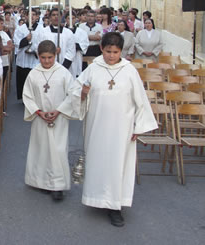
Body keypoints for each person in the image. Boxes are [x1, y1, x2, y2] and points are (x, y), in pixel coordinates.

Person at [57, 32, 157, 227]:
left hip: (122, 129)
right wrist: (83, 94)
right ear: (101, 49)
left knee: (117, 165)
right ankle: (96, 198)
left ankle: (115, 206)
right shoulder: (93, 68)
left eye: (115, 52)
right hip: (97, 126)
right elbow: (75, 90)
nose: (111, 56)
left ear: (122, 51)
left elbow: (141, 101)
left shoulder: (129, 71)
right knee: (98, 163)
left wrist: (138, 125)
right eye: (108, 51)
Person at [23, 40, 74, 201]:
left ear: (55, 55)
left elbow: (72, 94)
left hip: (59, 117)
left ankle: (57, 185)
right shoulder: (33, 73)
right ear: (38, 56)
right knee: (42, 149)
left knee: (58, 150)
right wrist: (38, 112)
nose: (46, 61)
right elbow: (28, 96)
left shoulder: (63, 72)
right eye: (43, 57)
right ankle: (42, 182)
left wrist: (58, 111)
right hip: (40, 118)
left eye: (50, 57)